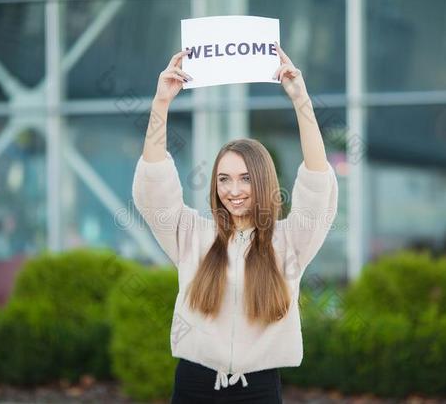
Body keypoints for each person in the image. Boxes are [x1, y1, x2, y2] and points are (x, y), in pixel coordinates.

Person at [132, 42, 339, 404]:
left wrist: (300, 101)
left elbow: (318, 186)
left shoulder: (289, 242)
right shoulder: (192, 235)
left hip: (258, 390)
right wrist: (161, 104)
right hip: (194, 385)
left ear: (262, 181)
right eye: (224, 179)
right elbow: (154, 188)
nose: (234, 190)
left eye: (245, 178)